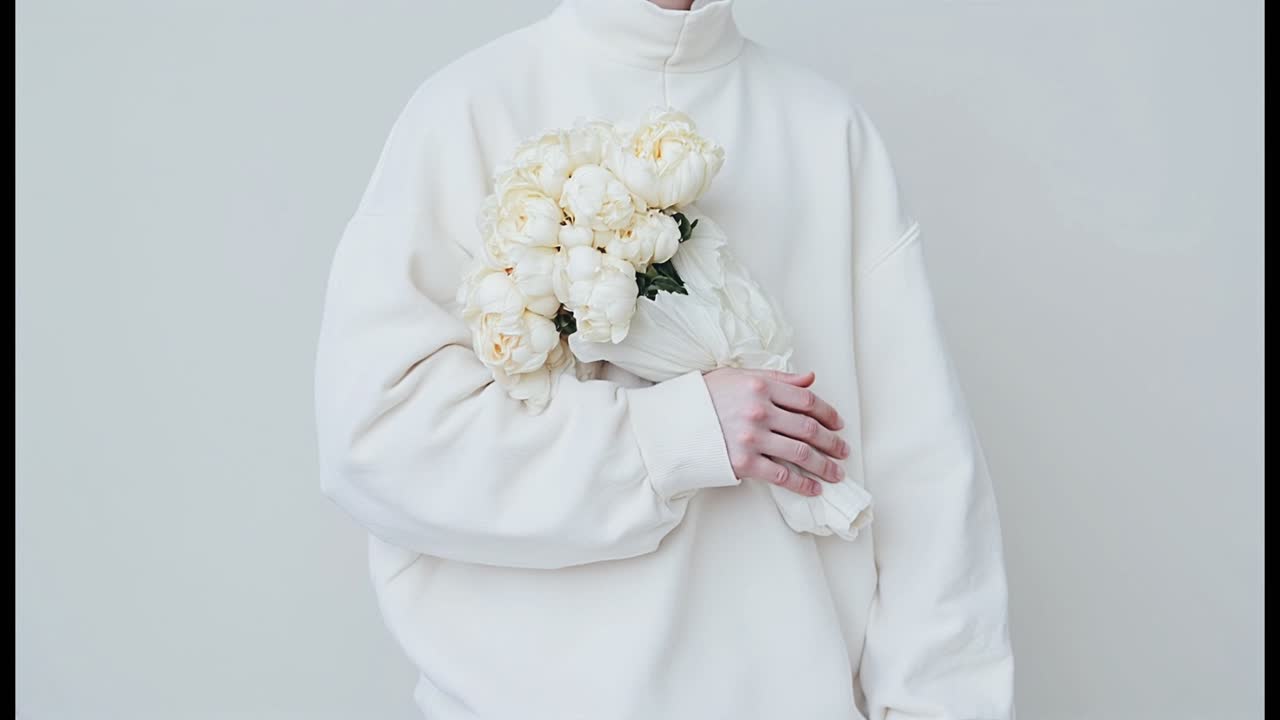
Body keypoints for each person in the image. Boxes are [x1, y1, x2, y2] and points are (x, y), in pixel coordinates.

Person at [314, 0, 1015, 717]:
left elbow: (925, 481)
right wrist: (670, 437)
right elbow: (379, 439)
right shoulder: (469, 109)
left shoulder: (826, 132)